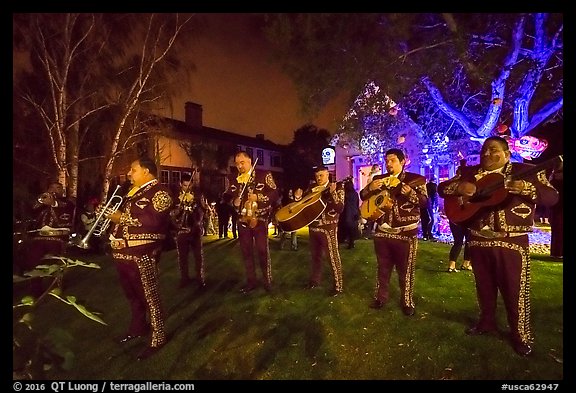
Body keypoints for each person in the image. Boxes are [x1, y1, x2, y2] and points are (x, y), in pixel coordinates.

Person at [437, 136, 559, 357]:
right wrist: (459, 187)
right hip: (478, 239)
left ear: (507, 154)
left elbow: (551, 197)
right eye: (484, 150)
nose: (486, 154)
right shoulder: (469, 172)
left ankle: (520, 334)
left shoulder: (527, 170)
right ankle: (486, 322)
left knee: (515, 290)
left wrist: (525, 188)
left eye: (493, 150)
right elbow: (442, 188)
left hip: (510, 240)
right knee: (484, 287)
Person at [106, 156, 174, 360]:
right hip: (122, 251)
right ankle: (137, 328)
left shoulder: (161, 192)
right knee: (132, 295)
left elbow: (153, 221)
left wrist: (122, 218)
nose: (129, 173)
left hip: (142, 252)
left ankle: (158, 336)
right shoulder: (132, 193)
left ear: (147, 171)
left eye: (133, 170)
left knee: (149, 295)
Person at [360, 148, 427, 315]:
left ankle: (406, 301)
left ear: (402, 161)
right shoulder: (379, 179)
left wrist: (411, 193)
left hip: (405, 232)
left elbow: (424, 202)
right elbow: (363, 196)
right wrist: (369, 187)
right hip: (382, 230)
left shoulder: (416, 179)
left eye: (392, 160)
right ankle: (381, 297)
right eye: (387, 160)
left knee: (406, 270)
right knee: (382, 268)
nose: (388, 164)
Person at [226, 151, 279, 293]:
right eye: (237, 164)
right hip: (242, 220)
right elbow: (227, 196)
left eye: (242, 162)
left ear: (249, 161)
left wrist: (258, 197)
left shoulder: (263, 174)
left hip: (260, 219)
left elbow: (274, 193)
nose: (239, 166)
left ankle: (267, 280)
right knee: (246, 252)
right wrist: (233, 201)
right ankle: (251, 281)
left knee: (262, 250)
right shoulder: (233, 178)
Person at [19, 181, 76, 294]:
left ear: (62, 191)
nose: (54, 190)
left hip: (57, 238)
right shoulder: (41, 204)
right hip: (39, 238)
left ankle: (55, 287)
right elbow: (31, 211)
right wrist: (39, 202)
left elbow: (66, 209)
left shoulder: (68, 202)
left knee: (53, 262)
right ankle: (36, 289)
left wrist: (53, 203)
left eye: (58, 188)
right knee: (33, 261)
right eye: (52, 188)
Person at [299, 166, 345, 296]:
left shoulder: (338, 187)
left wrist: (333, 193)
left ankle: (338, 285)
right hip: (313, 226)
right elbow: (303, 205)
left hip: (328, 227)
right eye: (317, 176)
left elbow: (340, 208)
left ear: (327, 174)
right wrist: (298, 198)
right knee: (315, 256)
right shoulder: (310, 189)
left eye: (321, 175)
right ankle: (315, 280)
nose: (319, 178)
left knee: (332, 256)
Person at [170, 172, 208, 289]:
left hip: (195, 229)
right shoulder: (175, 197)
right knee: (182, 257)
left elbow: (203, 210)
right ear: (180, 184)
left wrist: (197, 208)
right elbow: (171, 213)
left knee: (198, 256)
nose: (187, 188)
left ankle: (200, 278)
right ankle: (184, 278)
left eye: (189, 186)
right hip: (181, 230)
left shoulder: (197, 196)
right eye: (185, 185)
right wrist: (177, 211)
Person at [339, 179, 361, 249]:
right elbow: (357, 203)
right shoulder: (355, 193)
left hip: (347, 213)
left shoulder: (346, 194)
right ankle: (351, 242)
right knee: (352, 229)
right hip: (354, 212)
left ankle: (344, 240)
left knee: (346, 228)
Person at [548, 166, 563, 259]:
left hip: (556, 207)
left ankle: (556, 252)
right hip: (558, 207)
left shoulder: (553, 178)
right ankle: (557, 252)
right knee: (558, 229)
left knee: (557, 230)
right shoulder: (555, 179)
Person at [421, 176, 438, 241]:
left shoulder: (425, 187)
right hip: (428, 204)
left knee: (424, 220)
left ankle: (425, 235)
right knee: (431, 219)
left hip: (423, 205)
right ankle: (429, 235)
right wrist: (435, 205)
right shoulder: (433, 186)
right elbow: (435, 196)